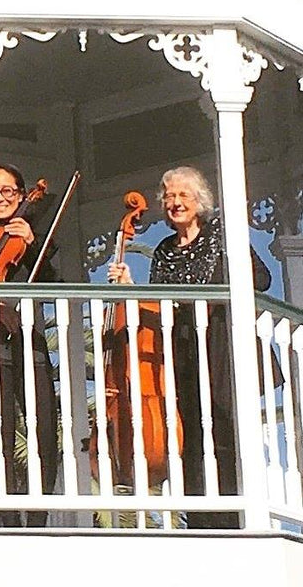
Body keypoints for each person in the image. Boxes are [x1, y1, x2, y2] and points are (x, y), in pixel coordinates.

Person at [108, 166, 271, 529]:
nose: (175, 202)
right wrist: (131, 286)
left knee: (224, 423)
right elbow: (159, 303)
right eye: (168, 196)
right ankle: (199, 514)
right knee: (190, 430)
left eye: (183, 195)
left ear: (200, 202)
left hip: (219, 344)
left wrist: (214, 293)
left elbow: (261, 278)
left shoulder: (221, 238)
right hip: (182, 348)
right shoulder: (165, 250)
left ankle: (231, 512)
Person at [0, 163, 59, 526]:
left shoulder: (34, 238)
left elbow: (51, 284)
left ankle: (38, 518)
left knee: (45, 431)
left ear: (22, 196)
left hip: (30, 344)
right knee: (0, 431)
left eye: (8, 191)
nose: (0, 199)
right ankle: (8, 518)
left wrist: (34, 246)